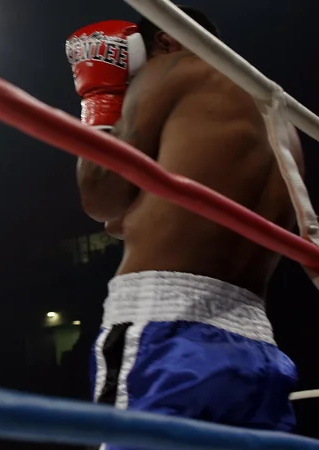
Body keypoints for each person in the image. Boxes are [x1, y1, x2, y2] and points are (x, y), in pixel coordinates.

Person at [64, 6, 304, 442]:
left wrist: (100, 100)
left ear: (165, 41)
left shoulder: (169, 69)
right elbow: (135, 219)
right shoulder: (279, 116)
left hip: (164, 327)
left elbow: (100, 199)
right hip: (257, 342)